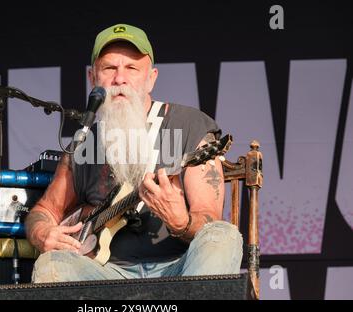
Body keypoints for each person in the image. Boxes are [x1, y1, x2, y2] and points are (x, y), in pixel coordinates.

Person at [25, 23, 243, 283]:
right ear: (92, 79)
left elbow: (208, 217)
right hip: (107, 272)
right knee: (52, 263)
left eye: (131, 68)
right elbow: (45, 210)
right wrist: (43, 233)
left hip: (180, 270)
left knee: (222, 236)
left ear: (151, 77)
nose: (120, 79)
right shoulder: (83, 142)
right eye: (109, 69)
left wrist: (182, 222)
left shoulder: (190, 125)